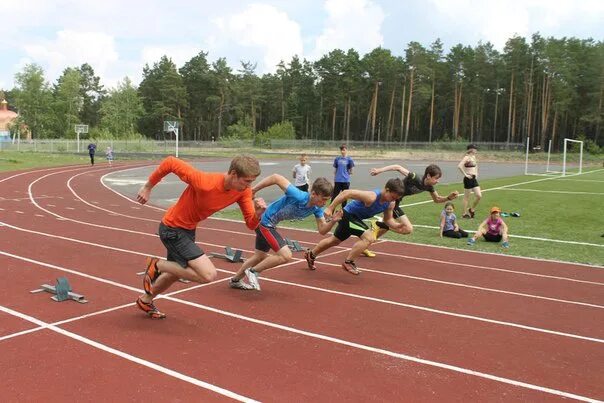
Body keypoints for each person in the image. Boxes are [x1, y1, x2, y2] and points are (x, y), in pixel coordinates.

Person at [136, 155, 267, 318]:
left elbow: (251, 224)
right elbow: (170, 162)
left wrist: (259, 214)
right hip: (172, 228)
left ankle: (146, 300)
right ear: (233, 174)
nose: (250, 186)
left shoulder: (243, 192)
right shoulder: (205, 181)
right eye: (247, 181)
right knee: (208, 274)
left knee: (176, 272)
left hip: (188, 230)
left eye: (252, 181)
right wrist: (148, 187)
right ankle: (157, 265)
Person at [229, 174, 341, 291]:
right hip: (265, 222)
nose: (324, 203)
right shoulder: (299, 196)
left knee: (259, 256)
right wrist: (254, 190)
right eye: (323, 199)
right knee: (286, 255)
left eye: (327, 200)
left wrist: (333, 221)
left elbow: (322, 230)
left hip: (269, 224)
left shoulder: (316, 208)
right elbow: (276, 178)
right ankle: (253, 272)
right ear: (313, 194)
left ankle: (235, 280)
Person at [304, 178, 405, 275]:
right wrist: (330, 208)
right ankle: (349, 262)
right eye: (392, 197)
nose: (393, 200)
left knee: (335, 240)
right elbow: (346, 193)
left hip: (355, 219)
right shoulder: (372, 196)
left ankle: (311, 254)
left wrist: (397, 225)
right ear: (387, 190)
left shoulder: (390, 203)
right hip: (348, 215)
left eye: (396, 199)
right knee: (369, 238)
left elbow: (388, 219)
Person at [368, 164, 459, 250]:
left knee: (386, 228)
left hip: (396, 203)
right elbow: (397, 167)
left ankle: (366, 243)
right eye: (436, 178)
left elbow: (437, 199)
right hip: (391, 201)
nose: (437, 181)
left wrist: (449, 197)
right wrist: (379, 170)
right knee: (408, 228)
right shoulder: (415, 178)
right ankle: (378, 225)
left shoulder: (429, 187)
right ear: (428, 176)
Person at [458, 144, 481, 218]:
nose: (476, 150)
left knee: (479, 196)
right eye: (475, 149)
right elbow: (459, 166)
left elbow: (476, 166)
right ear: (471, 149)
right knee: (466, 197)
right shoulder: (466, 157)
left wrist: (476, 174)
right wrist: (465, 175)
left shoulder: (474, 157)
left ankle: (472, 209)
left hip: (474, 179)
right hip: (468, 179)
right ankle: (464, 214)